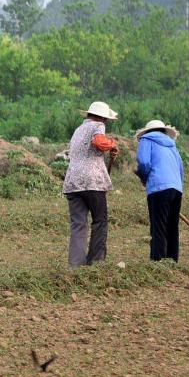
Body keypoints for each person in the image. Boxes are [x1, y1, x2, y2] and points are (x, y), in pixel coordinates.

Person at [63, 101, 120, 268]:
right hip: (91, 181)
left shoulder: (78, 130)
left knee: (78, 224)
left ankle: (76, 266)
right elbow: (99, 142)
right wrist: (112, 144)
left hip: (72, 182)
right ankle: (96, 263)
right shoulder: (98, 126)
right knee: (100, 220)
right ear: (102, 117)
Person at [135, 119, 185, 261]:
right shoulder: (172, 145)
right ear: (163, 131)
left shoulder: (146, 140)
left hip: (158, 188)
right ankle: (172, 260)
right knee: (172, 227)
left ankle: (158, 262)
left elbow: (143, 162)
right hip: (176, 188)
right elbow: (181, 168)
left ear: (148, 131)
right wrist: (177, 188)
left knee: (159, 226)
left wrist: (144, 177)